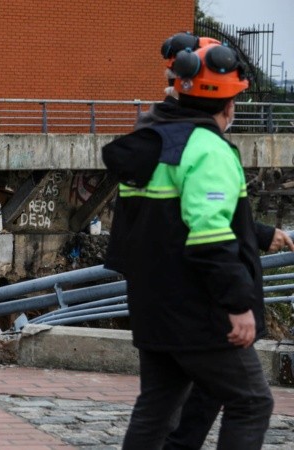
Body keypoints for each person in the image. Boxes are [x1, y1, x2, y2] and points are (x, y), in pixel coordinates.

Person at [102, 40, 290, 450]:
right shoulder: (208, 149)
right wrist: (238, 304)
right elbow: (209, 236)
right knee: (252, 403)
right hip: (200, 311)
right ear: (228, 105)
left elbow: (160, 226)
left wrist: (256, 235)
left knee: (157, 410)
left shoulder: (151, 143)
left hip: (153, 304)